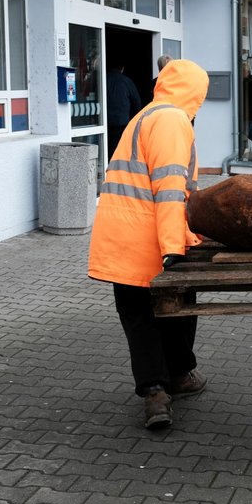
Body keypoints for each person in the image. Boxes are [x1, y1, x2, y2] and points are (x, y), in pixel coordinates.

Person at [88, 59, 210, 430]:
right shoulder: (173, 120)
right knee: (177, 308)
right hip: (152, 240)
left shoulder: (146, 115)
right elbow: (170, 188)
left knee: (139, 318)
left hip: (120, 240)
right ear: (195, 91)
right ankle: (179, 376)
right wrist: (175, 247)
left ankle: (154, 394)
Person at [105, 63, 142, 156]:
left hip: (105, 122)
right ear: (122, 68)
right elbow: (136, 102)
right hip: (121, 121)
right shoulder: (126, 81)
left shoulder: (103, 79)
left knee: (106, 147)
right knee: (119, 149)